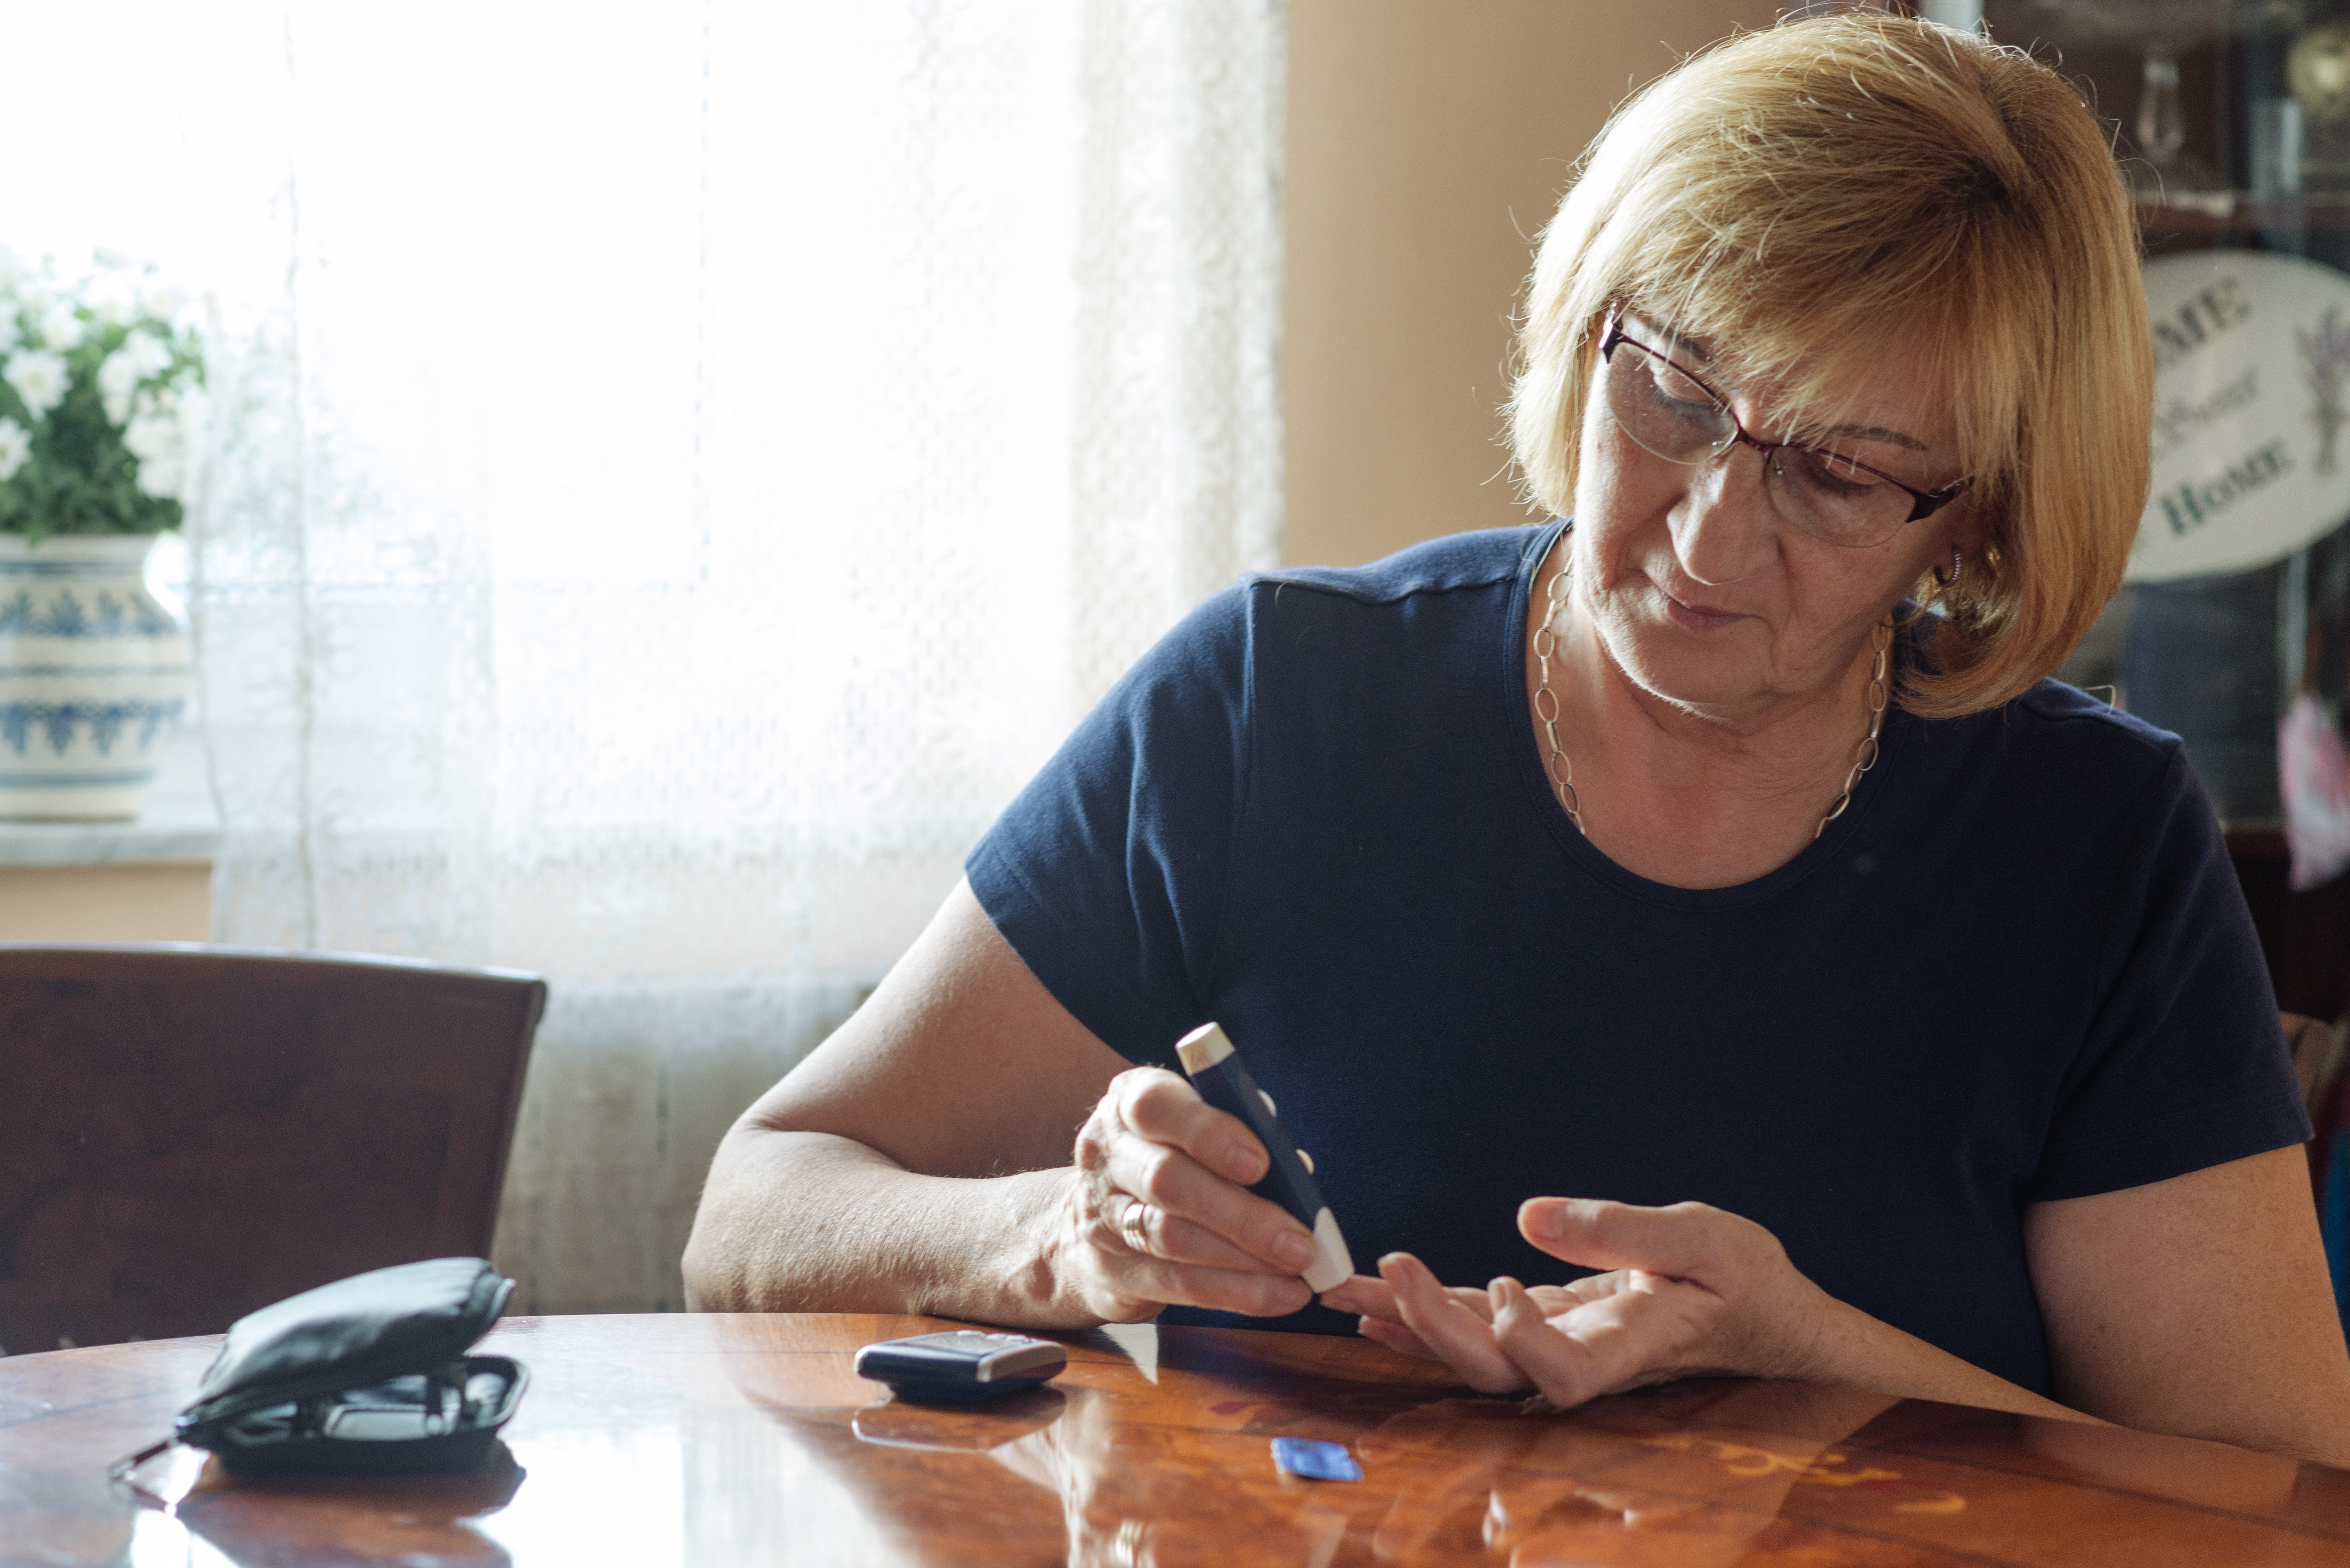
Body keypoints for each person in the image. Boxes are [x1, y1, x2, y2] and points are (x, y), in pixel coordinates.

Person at [684, 14, 2350, 1464]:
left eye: (1839, 474)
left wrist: (1805, 1352)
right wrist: (1061, 1240)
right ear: (1589, 328)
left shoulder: (2089, 844)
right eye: (1678, 396)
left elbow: (2279, 1498)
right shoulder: (1277, 709)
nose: (1704, 540)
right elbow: (757, 1211)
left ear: (1972, 525)